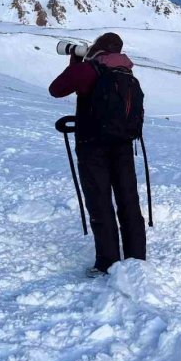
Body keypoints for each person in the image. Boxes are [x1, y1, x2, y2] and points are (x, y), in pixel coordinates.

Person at [49, 32, 146, 276]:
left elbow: (57, 89)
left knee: (100, 202)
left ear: (98, 47)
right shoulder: (127, 73)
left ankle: (107, 263)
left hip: (92, 146)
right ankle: (137, 259)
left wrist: (76, 60)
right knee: (128, 201)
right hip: (123, 145)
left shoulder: (89, 69)